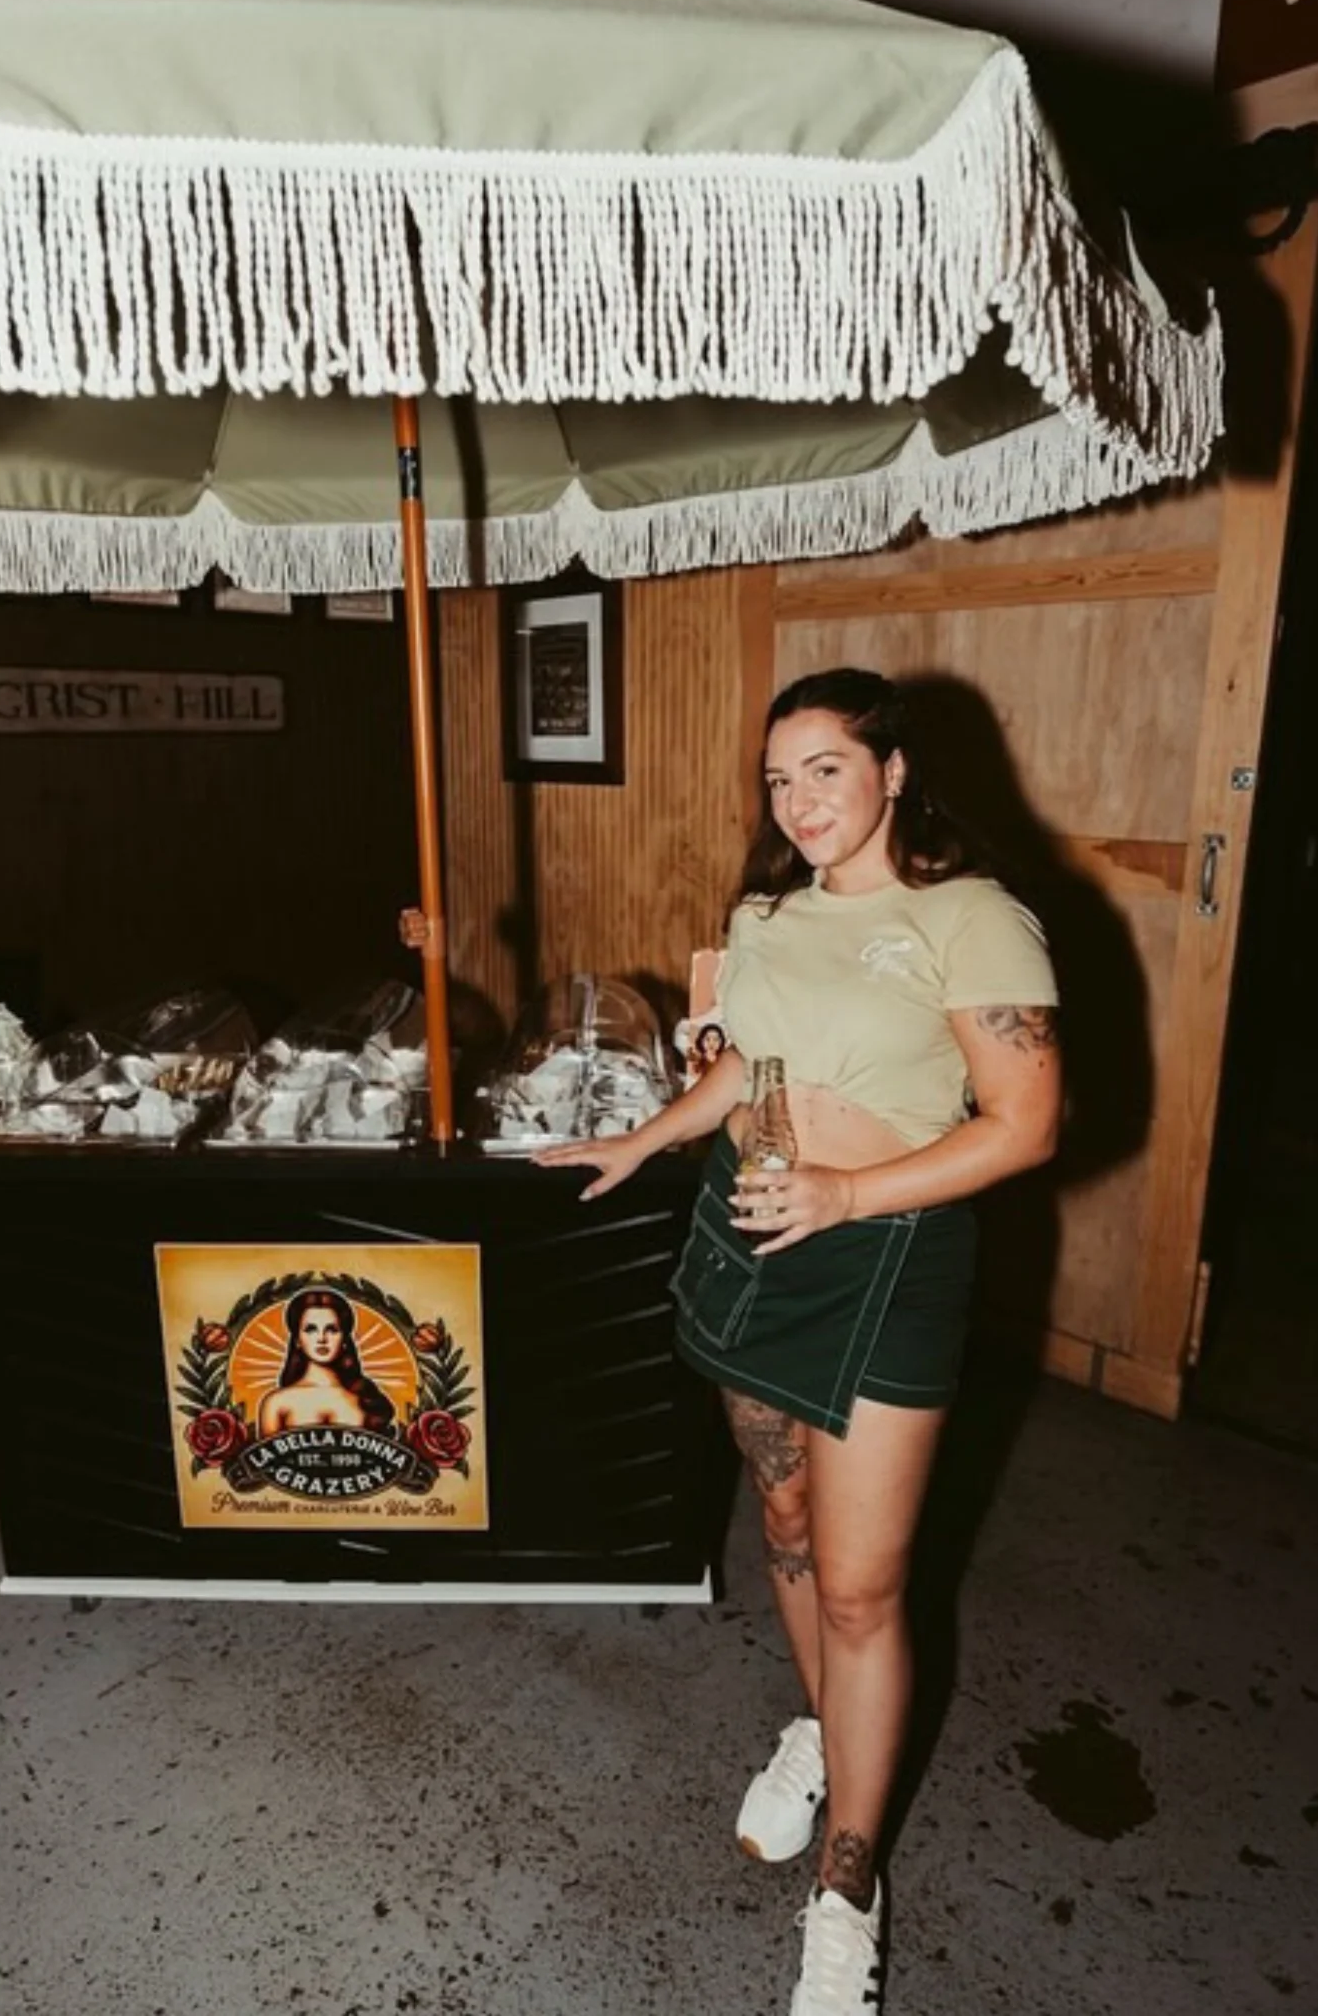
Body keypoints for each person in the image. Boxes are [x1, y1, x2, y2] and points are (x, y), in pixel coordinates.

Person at [539, 667, 1060, 2016]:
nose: (799, 799)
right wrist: (646, 1135)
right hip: (751, 1233)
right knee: (780, 1523)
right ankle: (827, 1730)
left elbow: (1024, 1123)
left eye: (826, 766)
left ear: (894, 769)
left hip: (887, 1256)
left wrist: (845, 1192)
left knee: (860, 1587)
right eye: (779, 777)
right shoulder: (764, 910)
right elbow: (742, 1068)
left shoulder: (972, 916)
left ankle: (846, 1885)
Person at [259, 1288, 396, 1437]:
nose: (322, 1339)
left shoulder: (363, 1399)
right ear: (297, 1340)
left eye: (331, 1329)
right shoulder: (276, 1403)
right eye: (311, 1329)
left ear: (344, 1338)